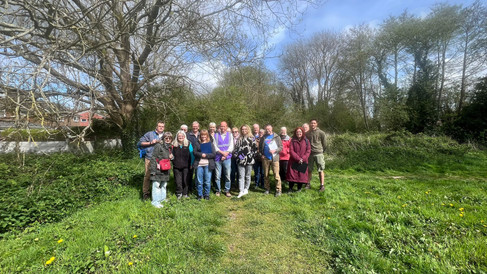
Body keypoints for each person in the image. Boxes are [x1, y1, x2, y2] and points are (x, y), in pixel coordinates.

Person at [139, 121, 165, 200]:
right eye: (159, 126)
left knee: (160, 176)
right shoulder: (149, 134)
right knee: (147, 176)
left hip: (161, 159)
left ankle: (159, 193)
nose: (161, 127)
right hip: (150, 157)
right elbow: (140, 143)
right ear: (156, 127)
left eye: (162, 126)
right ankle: (146, 193)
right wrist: (150, 142)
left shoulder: (165, 135)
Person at [149, 132, 174, 207]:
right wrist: (153, 170)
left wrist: (172, 157)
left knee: (164, 185)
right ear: (163, 138)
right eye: (166, 138)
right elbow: (153, 158)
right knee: (156, 185)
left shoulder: (170, 147)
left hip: (166, 168)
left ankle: (162, 199)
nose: (168, 139)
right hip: (158, 169)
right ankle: (155, 202)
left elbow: (170, 158)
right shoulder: (158, 146)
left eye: (170, 138)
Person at [258, 124, 283, 197]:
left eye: (269, 129)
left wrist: (275, 150)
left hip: (274, 158)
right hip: (265, 158)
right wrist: (261, 155)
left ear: (272, 128)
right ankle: (267, 189)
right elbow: (260, 148)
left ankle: (278, 190)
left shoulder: (276, 137)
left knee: (276, 175)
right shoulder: (263, 137)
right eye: (266, 129)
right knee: (266, 175)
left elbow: (281, 147)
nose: (268, 130)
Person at [234, 124, 257, 198]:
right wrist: (238, 156)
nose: (244, 130)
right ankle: (241, 190)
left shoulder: (252, 138)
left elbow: (255, 149)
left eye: (245, 129)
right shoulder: (239, 138)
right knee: (241, 176)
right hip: (240, 160)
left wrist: (251, 156)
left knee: (248, 175)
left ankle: (246, 189)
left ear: (248, 130)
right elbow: (236, 149)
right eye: (242, 129)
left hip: (249, 160)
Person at [193, 130, 215, 200]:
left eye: (205, 135)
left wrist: (206, 155)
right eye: (202, 135)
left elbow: (214, 154)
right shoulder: (197, 143)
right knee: (199, 181)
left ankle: (207, 194)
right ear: (200, 136)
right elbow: (194, 152)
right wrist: (201, 154)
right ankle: (200, 195)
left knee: (207, 181)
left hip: (208, 164)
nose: (203, 136)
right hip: (199, 164)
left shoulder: (210, 144)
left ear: (207, 136)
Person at [213, 121, 234, 197]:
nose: (222, 128)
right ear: (219, 127)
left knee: (227, 175)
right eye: (221, 126)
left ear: (226, 127)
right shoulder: (215, 135)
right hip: (218, 158)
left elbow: (231, 146)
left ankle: (227, 190)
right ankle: (218, 190)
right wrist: (222, 153)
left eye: (224, 126)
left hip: (227, 158)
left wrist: (226, 154)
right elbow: (215, 146)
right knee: (217, 176)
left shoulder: (230, 135)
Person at [286, 127, 311, 192]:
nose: (299, 133)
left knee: (301, 176)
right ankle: (290, 189)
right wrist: (298, 159)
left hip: (303, 161)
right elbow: (291, 150)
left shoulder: (306, 141)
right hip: (294, 160)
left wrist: (303, 158)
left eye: (300, 132)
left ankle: (299, 189)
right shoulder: (292, 140)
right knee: (292, 175)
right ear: (295, 133)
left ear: (302, 133)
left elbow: (308, 150)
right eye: (297, 132)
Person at [305, 119, 327, 191]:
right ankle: (308, 184)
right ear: (310, 124)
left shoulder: (321, 133)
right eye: (311, 123)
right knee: (309, 169)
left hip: (319, 153)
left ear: (316, 124)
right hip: (310, 154)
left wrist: (321, 151)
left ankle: (322, 185)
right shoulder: (307, 133)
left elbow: (325, 144)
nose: (313, 124)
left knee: (320, 169)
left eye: (314, 123)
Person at [172, 130, 194, 199]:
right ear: (177, 137)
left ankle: (185, 193)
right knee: (178, 181)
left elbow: (192, 154)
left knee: (185, 180)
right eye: (179, 136)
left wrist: (191, 163)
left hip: (186, 166)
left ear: (184, 137)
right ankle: (179, 193)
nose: (180, 137)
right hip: (176, 166)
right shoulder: (173, 144)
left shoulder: (188, 144)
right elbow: (171, 154)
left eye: (182, 136)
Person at [186, 121, 200, 194]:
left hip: (199, 157)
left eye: (196, 126)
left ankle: (197, 189)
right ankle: (189, 189)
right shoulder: (188, 135)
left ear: (198, 127)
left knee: (198, 174)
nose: (195, 127)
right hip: (190, 156)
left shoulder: (201, 134)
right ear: (192, 127)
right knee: (190, 174)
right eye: (194, 126)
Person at [252, 124, 264, 188]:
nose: (255, 129)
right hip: (256, 157)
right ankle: (256, 184)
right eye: (254, 128)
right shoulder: (253, 137)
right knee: (256, 172)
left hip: (263, 157)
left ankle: (262, 184)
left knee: (262, 172)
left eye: (257, 128)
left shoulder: (264, 138)